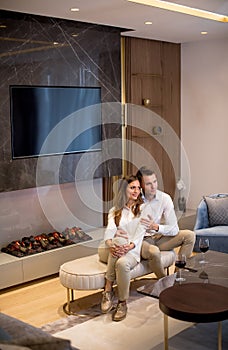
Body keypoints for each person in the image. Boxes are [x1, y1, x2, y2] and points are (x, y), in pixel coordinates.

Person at [98, 175, 144, 321]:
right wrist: (111, 245)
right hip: (114, 249)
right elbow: (110, 231)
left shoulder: (143, 209)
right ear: (124, 190)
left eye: (138, 188)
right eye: (132, 187)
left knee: (122, 263)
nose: (136, 191)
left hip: (132, 252)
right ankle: (108, 290)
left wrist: (129, 246)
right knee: (117, 239)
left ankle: (121, 301)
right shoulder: (115, 210)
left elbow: (140, 234)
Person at [136, 166, 196, 278]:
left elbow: (174, 229)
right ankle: (164, 281)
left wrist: (157, 227)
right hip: (141, 240)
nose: (153, 186)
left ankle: (178, 276)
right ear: (141, 185)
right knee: (153, 251)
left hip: (158, 237)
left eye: (155, 181)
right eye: (149, 183)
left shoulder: (164, 198)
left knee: (190, 236)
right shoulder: (134, 199)